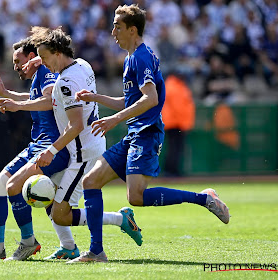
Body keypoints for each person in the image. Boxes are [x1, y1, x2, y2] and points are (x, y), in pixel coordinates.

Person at [70, 4, 230, 263]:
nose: (112, 32)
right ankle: (96, 251)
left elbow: (150, 98)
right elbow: (131, 100)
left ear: (133, 30)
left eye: (117, 27)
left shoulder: (141, 57)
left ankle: (204, 198)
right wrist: (96, 97)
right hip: (134, 133)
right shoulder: (131, 58)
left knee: (136, 197)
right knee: (91, 182)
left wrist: (114, 120)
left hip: (146, 133)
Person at [0, 26, 143, 258]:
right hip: (87, 145)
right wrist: (34, 71)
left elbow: (75, 125)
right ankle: (69, 246)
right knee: (49, 201)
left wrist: (52, 151)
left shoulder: (64, 82)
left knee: (60, 214)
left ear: (57, 52)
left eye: (44, 58)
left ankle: (118, 221)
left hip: (82, 152)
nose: (43, 63)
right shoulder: (82, 64)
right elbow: (54, 96)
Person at [0, 37, 77, 262]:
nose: (15, 65)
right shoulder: (39, 76)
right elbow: (34, 98)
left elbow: (50, 100)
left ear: (32, 57)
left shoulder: (45, 73)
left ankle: (28, 242)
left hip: (51, 148)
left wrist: (18, 106)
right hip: (36, 146)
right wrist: (8, 94)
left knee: (14, 188)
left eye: (18, 60)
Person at [162, 71, 195, 177]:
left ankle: (171, 170)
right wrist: (185, 123)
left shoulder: (172, 85)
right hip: (176, 122)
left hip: (172, 122)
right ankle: (172, 171)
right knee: (175, 148)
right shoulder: (175, 87)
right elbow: (179, 108)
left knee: (173, 147)